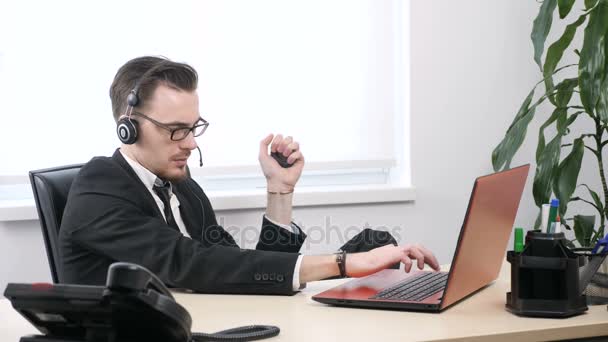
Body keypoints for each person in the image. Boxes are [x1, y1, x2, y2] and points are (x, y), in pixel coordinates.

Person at [58, 56, 440, 295]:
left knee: (373, 248)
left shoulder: (183, 188)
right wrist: (342, 263)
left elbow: (238, 267)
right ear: (129, 128)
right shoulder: (98, 188)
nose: (190, 143)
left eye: (194, 127)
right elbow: (191, 263)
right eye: (176, 129)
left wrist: (279, 190)